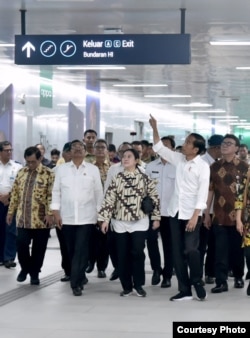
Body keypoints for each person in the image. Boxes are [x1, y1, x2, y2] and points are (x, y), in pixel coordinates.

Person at [149, 114, 209, 301]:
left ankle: (197, 280)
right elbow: (159, 148)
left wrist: (195, 216)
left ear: (196, 149)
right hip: (175, 212)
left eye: (189, 142)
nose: (184, 143)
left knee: (191, 249)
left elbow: (202, 193)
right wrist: (155, 128)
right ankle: (185, 290)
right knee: (176, 252)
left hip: (192, 214)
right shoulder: (178, 159)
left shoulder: (202, 166)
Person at [98, 148, 161, 297]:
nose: (125, 159)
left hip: (139, 221)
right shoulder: (117, 178)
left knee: (138, 252)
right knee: (122, 254)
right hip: (120, 221)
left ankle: (138, 285)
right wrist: (105, 219)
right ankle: (126, 286)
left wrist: (156, 218)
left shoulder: (145, 178)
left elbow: (154, 198)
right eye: (123, 157)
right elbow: (109, 200)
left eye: (129, 156)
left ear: (136, 160)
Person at [51, 139, 103, 296]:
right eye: (74, 148)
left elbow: (98, 193)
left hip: (87, 217)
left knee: (81, 249)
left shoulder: (93, 170)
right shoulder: (61, 170)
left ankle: (75, 283)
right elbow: (56, 191)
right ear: (69, 152)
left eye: (81, 147)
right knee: (72, 250)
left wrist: (100, 215)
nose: (78, 150)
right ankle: (80, 277)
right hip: (67, 217)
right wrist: (55, 211)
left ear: (85, 151)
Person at [204, 134, 248, 293]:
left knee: (237, 249)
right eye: (223, 143)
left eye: (229, 143)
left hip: (239, 217)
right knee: (219, 250)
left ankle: (238, 277)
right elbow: (210, 192)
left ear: (236, 148)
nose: (224, 146)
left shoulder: (245, 167)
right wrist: (206, 213)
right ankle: (221, 281)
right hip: (219, 215)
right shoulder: (214, 167)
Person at [6, 146, 54, 285]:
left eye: (33, 161)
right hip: (23, 218)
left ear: (40, 159)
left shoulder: (48, 174)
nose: (30, 164)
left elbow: (52, 195)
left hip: (41, 219)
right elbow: (15, 194)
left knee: (39, 249)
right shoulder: (21, 172)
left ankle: (34, 273)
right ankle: (25, 268)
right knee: (21, 245)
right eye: (28, 162)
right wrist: (11, 211)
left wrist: (50, 213)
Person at [145, 136, 176, 288]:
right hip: (153, 213)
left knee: (169, 245)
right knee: (151, 241)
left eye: (166, 145)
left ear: (173, 149)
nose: (162, 148)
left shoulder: (177, 167)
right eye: (160, 145)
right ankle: (156, 269)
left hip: (170, 213)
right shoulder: (150, 167)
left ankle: (167, 275)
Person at [199, 134, 223, 284]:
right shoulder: (201, 163)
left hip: (217, 211)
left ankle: (210, 273)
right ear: (216, 148)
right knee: (201, 245)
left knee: (214, 245)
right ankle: (197, 274)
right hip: (202, 211)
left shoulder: (219, 164)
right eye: (222, 147)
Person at [86, 139, 110, 278]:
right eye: (98, 147)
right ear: (93, 150)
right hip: (90, 206)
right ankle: (90, 261)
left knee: (104, 240)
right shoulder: (88, 167)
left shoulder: (112, 167)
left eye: (103, 147)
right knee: (90, 238)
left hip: (107, 208)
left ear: (107, 150)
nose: (100, 150)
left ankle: (102, 267)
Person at [0, 141, 22, 268]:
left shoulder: (17, 166)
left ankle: (9, 257)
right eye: (6, 150)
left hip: (11, 202)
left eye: (10, 150)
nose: (9, 152)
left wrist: (8, 196)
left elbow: (20, 185)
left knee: (11, 230)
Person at [53, 142, 72, 282]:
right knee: (64, 245)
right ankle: (68, 271)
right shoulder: (55, 171)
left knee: (80, 246)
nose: (74, 155)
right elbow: (51, 194)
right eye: (71, 152)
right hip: (62, 215)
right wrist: (54, 212)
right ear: (64, 154)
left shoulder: (88, 170)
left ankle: (79, 272)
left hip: (82, 216)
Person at [236, 170, 250, 296]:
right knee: (248, 252)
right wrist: (238, 220)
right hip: (248, 221)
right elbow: (239, 197)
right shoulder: (247, 174)